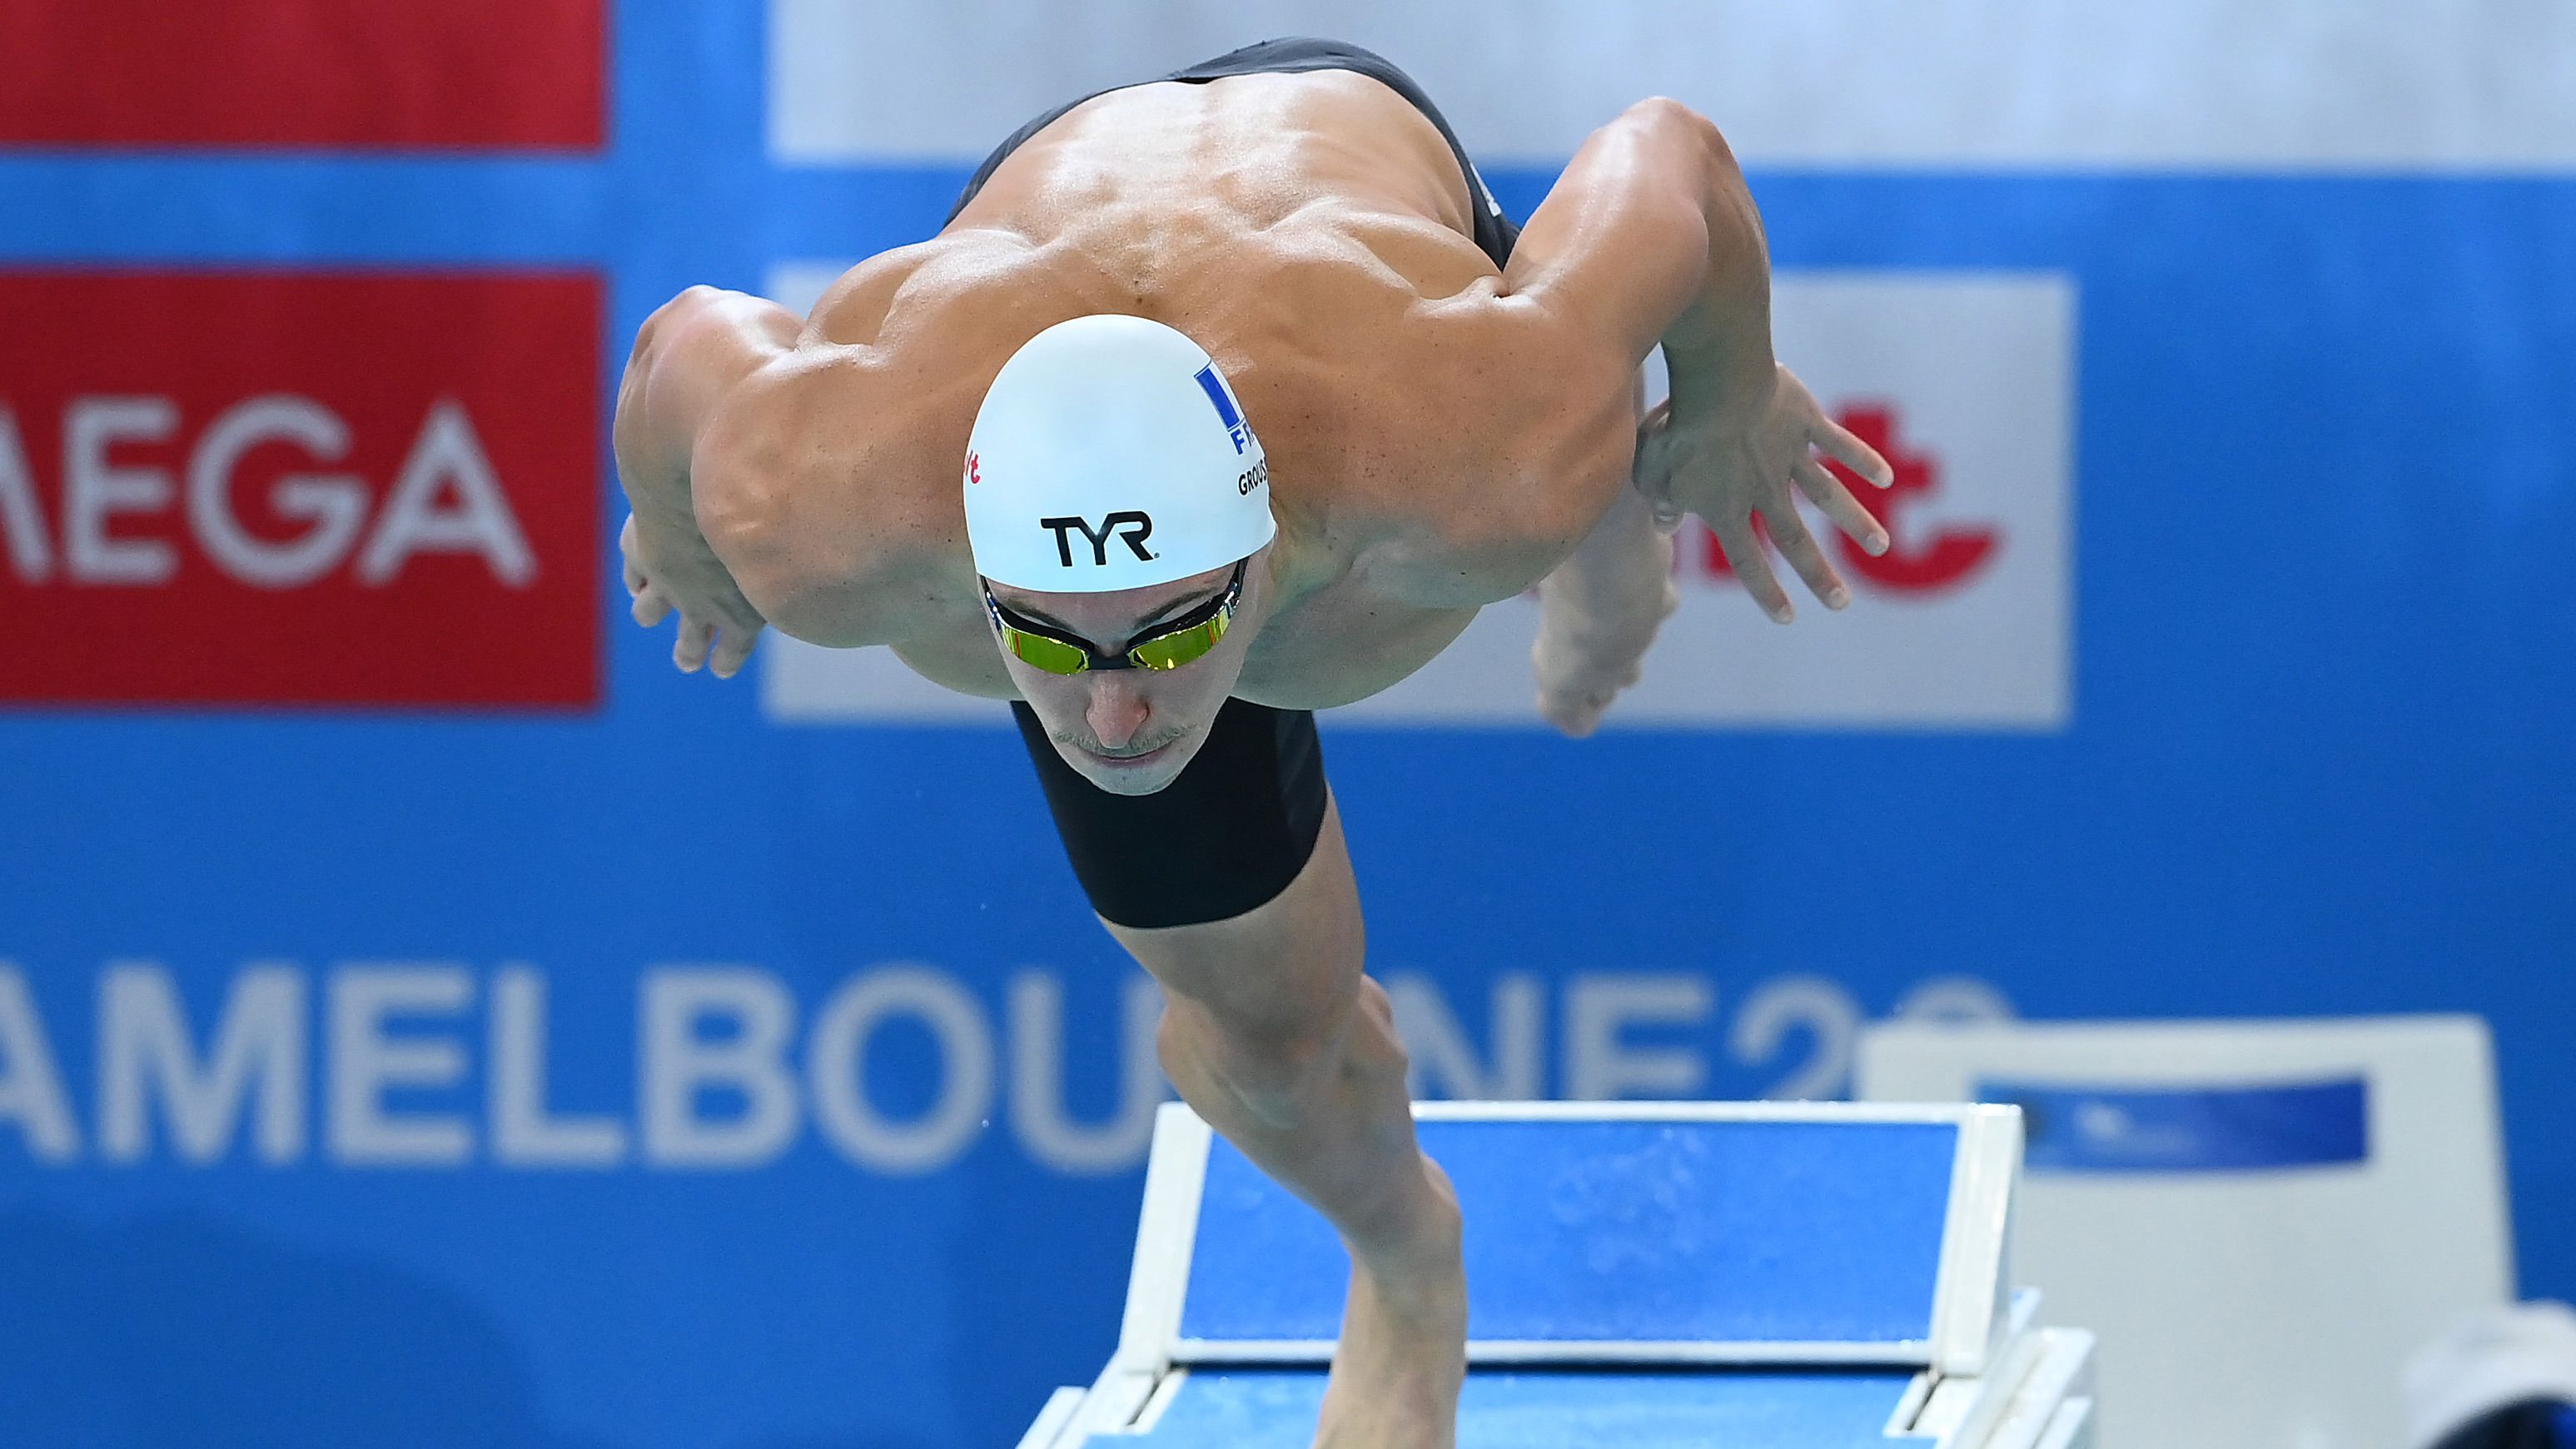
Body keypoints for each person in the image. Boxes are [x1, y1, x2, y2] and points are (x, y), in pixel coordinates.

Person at [613, 37, 1892, 1448]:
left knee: (1560, 468)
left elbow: (1671, 153)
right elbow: (680, 343)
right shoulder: (817, 497)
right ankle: (1408, 1262)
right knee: (1272, 1043)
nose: (1113, 714)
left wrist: (1722, 399)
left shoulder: (1467, 436)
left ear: (1267, 547)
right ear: (977, 572)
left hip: (1361, 262)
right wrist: (677, 534)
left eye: (1166, 637)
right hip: (1034, 262)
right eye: (1043, 639)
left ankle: (1606, 541)